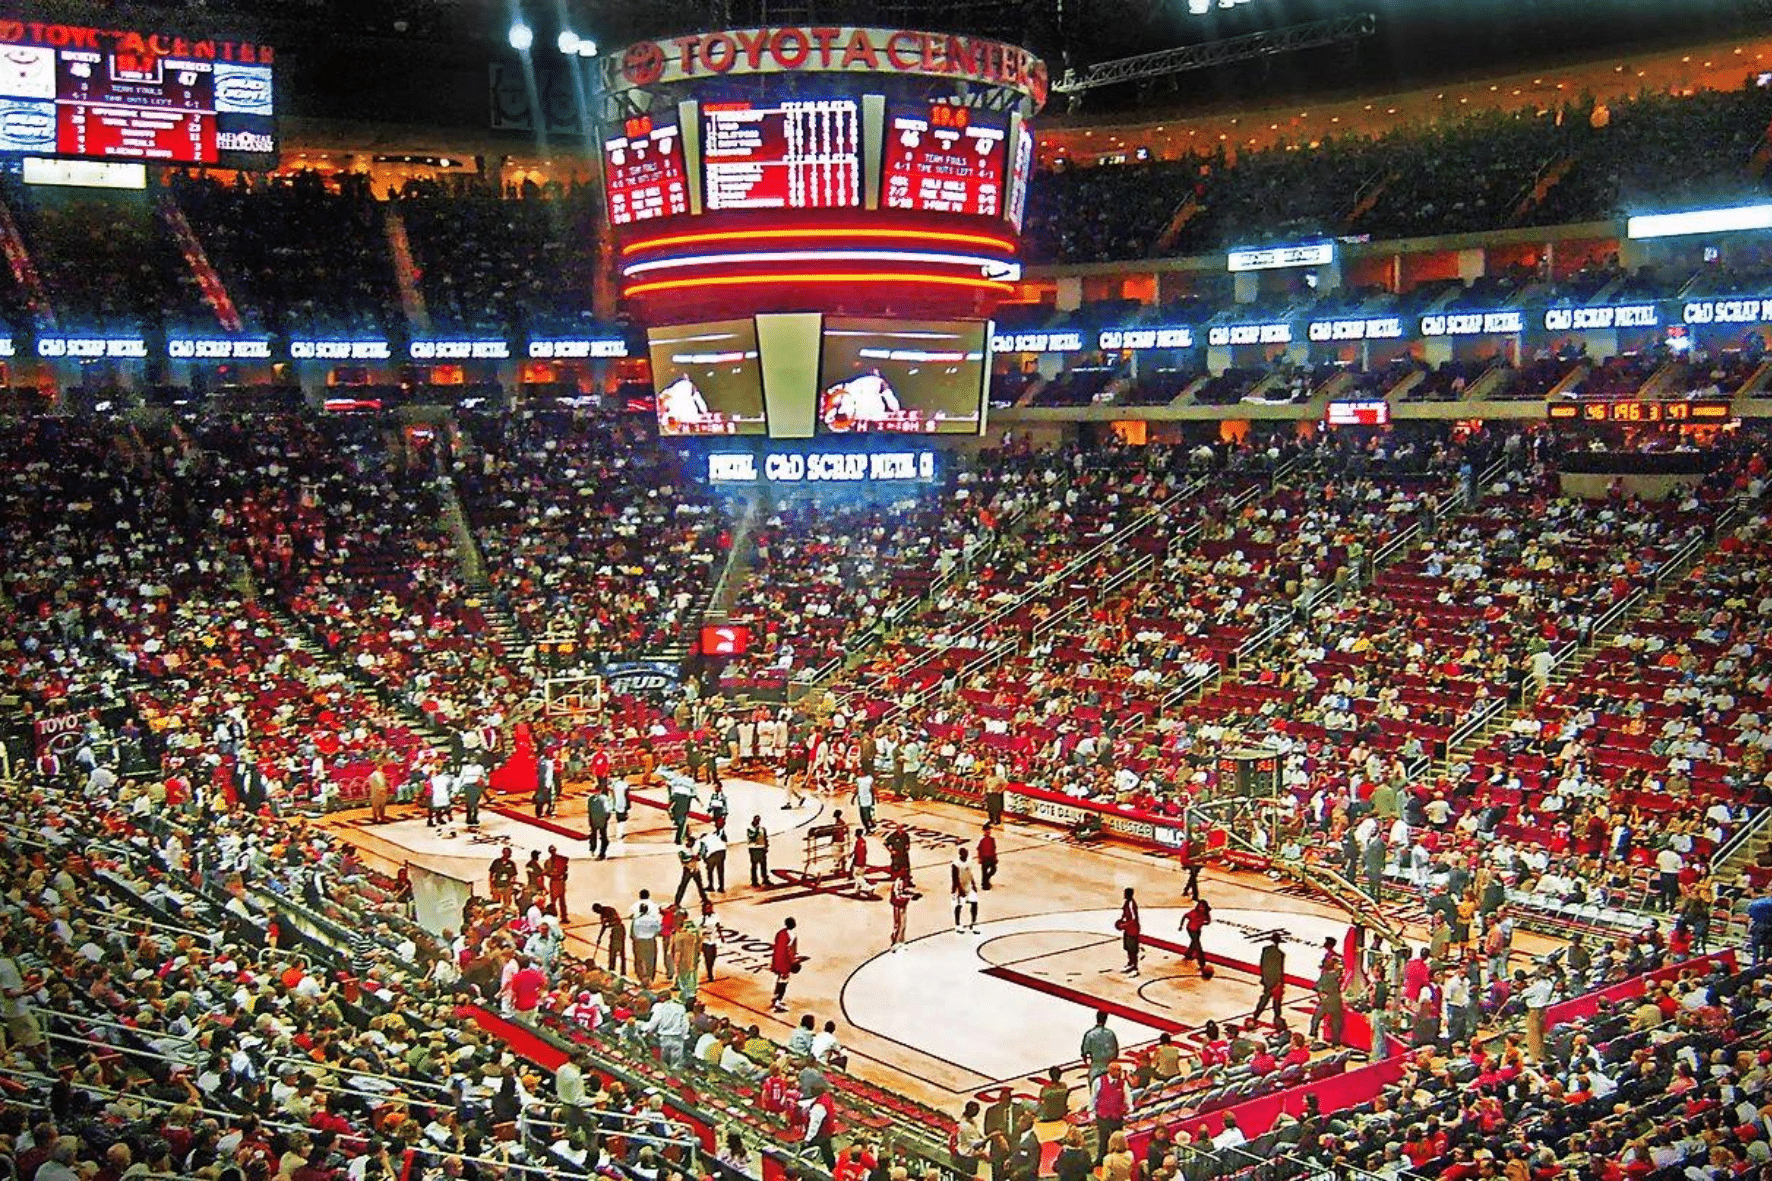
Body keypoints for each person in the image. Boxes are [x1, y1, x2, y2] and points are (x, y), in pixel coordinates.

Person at [1091, 1062, 1130, 1165]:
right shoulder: (1099, 1081)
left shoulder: (1123, 1083)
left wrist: (1129, 1110)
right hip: (1103, 1115)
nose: (1119, 1072)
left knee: (1117, 1140)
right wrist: (1092, 1113)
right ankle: (1100, 1160)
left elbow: (1128, 1098)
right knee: (1103, 1139)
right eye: (1117, 1070)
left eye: (1120, 1070)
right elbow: (1094, 1098)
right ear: (1110, 1070)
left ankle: (1115, 1161)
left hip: (1117, 1116)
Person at [1311, 936, 1345, 1045]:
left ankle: (1313, 1036)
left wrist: (1321, 992)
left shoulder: (1331, 961)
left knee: (1316, 1018)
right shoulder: (1336, 971)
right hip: (1335, 1000)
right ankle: (1336, 1043)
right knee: (1336, 1022)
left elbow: (1316, 986)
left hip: (1326, 999)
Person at [1251, 933, 1287, 1025]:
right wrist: (1279, 982)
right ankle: (1277, 1019)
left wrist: (1263, 977)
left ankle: (1256, 1015)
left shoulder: (1265, 950)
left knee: (1264, 998)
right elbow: (1280, 969)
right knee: (1276, 1001)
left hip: (1267, 979)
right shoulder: (1281, 954)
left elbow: (1262, 964)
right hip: (1275, 981)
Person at [630, 890, 662, 983]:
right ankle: (650, 978)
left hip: (639, 942)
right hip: (650, 941)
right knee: (651, 961)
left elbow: (632, 934)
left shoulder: (636, 919)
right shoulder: (652, 918)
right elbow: (658, 930)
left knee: (639, 960)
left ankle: (641, 978)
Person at [1080, 1010, 1119, 1084]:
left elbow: (1084, 1054)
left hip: (1096, 1067)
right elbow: (1116, 1053)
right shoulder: (1111, 1034)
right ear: (1106, 1019)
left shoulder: (1090, 1034)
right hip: (1109, 1068)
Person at [770, 917, 800, 1013]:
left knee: (779, 981)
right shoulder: (791, 936)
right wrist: (792, 963)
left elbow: (776, 949)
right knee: (783, 983)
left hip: (777, 961)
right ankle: (778, 1002)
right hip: (785, 964)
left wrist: (774, 963)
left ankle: (775, 999)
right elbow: (788, 951)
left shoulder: (780, 933)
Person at [674, 834, 709, 908]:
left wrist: (700, 854)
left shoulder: (695, 847)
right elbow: (684, 858)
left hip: (696, 869)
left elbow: (703, 846)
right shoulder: (682, 849)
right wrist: (693, 857)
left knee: (700, 885)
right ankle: (677, 902)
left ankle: (704, 899)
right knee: (683, 886)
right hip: (688, 870)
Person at [951, 846, 980, 933]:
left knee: (974, 903)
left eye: (967, 853)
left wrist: (974, 884)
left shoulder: (969, 861)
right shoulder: (955, 864)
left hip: (968, 885)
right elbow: (955, 878)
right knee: (959, 906)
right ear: (960, 854)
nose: (966, 855)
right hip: (958, 888)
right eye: (964, 853)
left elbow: (970, 873)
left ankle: (974, 923)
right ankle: (958, 924)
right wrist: (960, 889)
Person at [1183, 898, 1213, 977]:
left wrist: (1203, 923)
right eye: (1200, 907)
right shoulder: (1193, 913)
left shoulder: (1205, 914)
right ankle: (1202, 964)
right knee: (1198, 947)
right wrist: (1181, 925)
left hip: (1197, 931)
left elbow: (1209, 921)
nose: (1201, 908)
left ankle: (1188, 954)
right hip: (1191, 930)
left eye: (1203, 907)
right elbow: (1184, 916)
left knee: (1194, 943)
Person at [1117, 887, 1141, 975]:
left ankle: (1135, 967)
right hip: (1128, 929)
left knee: (1133, 949)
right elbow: (1124, 915)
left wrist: (1124, 925)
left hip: (1132, 929)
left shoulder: (1131, 904)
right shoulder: (1126, 903)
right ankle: (1130, 963)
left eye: (1126, 893)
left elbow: (1134, 919)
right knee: (1127, 947)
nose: (1124, 894)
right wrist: (1121, 920)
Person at [889, 871, 914, 951]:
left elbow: (905, 891)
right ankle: (895, 943)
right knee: (898, 924)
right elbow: (898, 895)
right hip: (898, 905)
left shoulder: (904, 882)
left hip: (903, 905)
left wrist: (912, 895)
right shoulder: (898, 882)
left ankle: (901, 941)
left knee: (903, 924)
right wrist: (910, 897)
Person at [699, 825, 728, 893]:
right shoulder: (714, 836)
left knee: (710, 870)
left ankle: (711, 886)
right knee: (720, 870)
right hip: (722, 852)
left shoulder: (703, 840)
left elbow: (703, 851)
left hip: (713, 854)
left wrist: (704, 858)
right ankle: (721, 887)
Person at [587, 782, 612, 860]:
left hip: (595, 820)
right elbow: (608, 809)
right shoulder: (604, 798)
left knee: (595, 835)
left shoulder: (591, 799)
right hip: (600, 820)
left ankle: (594, 850)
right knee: (601, 836)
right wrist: (606, 818)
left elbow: (589, 810)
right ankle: (600, 852)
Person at [544, 845, 570, 921]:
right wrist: (552, 874)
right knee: (553, 901)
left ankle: (564, 917)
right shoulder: (548, 862)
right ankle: (553, 916)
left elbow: (566, 863)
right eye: (551, 851)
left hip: (560, 881)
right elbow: (546, 872)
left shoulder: (560, 859)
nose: (553, 852)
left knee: (562, 900)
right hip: (554, 881)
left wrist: (563, 874)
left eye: (554, 850)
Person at [747, 814, 770, 887]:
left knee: (763, 865)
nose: (757, 822)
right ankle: (754, 881)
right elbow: (752, 837)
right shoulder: (750, 829)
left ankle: (765, 879)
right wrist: (756, 829)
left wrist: (766, 846)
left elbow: (765, 838)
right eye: (756, 820)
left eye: (758, 820)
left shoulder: (762, 829)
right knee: (754, 865)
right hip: (754, 848)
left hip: (761, 848)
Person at [978, 824, 998, 891]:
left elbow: (994, 848)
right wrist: (980, 858)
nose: (988, 831)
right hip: (984, 858)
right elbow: (979, 849)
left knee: (993, 869)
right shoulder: (982, 840)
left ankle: (986, 880)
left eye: (989, 830)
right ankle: (985, 884)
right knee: (984, 872)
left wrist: (995, 857)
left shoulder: (992, 839)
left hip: (991, 857)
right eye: (987, 830)